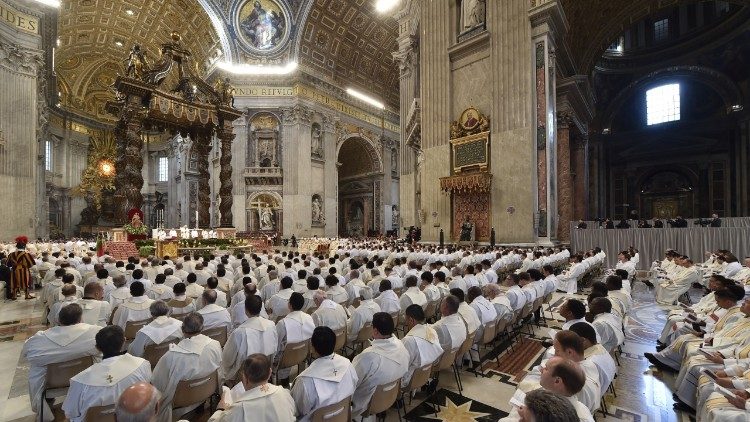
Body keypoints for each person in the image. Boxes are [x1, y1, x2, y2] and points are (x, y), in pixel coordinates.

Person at [22, 304, 101, 421]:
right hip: (86, 379)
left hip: (51, 383)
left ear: (58, 320)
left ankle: (47, 407)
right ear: (80, 319)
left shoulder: (39, 340)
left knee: (36, 368)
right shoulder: (95, 332)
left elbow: (27, 353)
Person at [62, 325, 152, 422]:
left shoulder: (80, 381)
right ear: (124, 341)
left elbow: (70, 412)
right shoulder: (142, 365)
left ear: (97, 348)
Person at [152, 312, 222, 421]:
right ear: (202, 327)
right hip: (207, 391)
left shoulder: (171, 356)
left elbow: (157, 382)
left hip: (180, 401)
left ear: (183, 330)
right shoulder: (215, 344)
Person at [291, 327, 359, 421]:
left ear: (313, 348)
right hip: (342, 416)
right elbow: (354, 387)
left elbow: (298, 409)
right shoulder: (348, 364)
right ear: (334, 343)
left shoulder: (305, 380)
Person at [351, 312, 410, 418]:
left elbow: (351, 382)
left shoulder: (368, 357)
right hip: (390, 397)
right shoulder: (402, 346)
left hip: (366, 405)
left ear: (375, 331)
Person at [209, 354, 296, 421]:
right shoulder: (285, 393)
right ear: (270, 373)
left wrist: (220, 409)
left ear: (244, 378)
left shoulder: (239, 409)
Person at [222, 295, 278, 382]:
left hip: (244, 375)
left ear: (246, 310)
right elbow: (274, 349)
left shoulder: (239, 332)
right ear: (261, 309)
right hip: (265, 369)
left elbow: (227, 359)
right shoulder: (271, 325)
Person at [275, 292, 315, 383]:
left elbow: (275, 345)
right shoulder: (308, 317)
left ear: (289, 305)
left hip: (285, 360)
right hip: (304, 354)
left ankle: (282, 382)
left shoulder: (283, 323)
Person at [401, 304, 443, 388]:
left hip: (411, 379)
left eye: (406, 319)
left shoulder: (409, 340)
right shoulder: (431, 330)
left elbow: (403, 365)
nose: (405, 322)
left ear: (411, 320)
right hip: (426, 372)